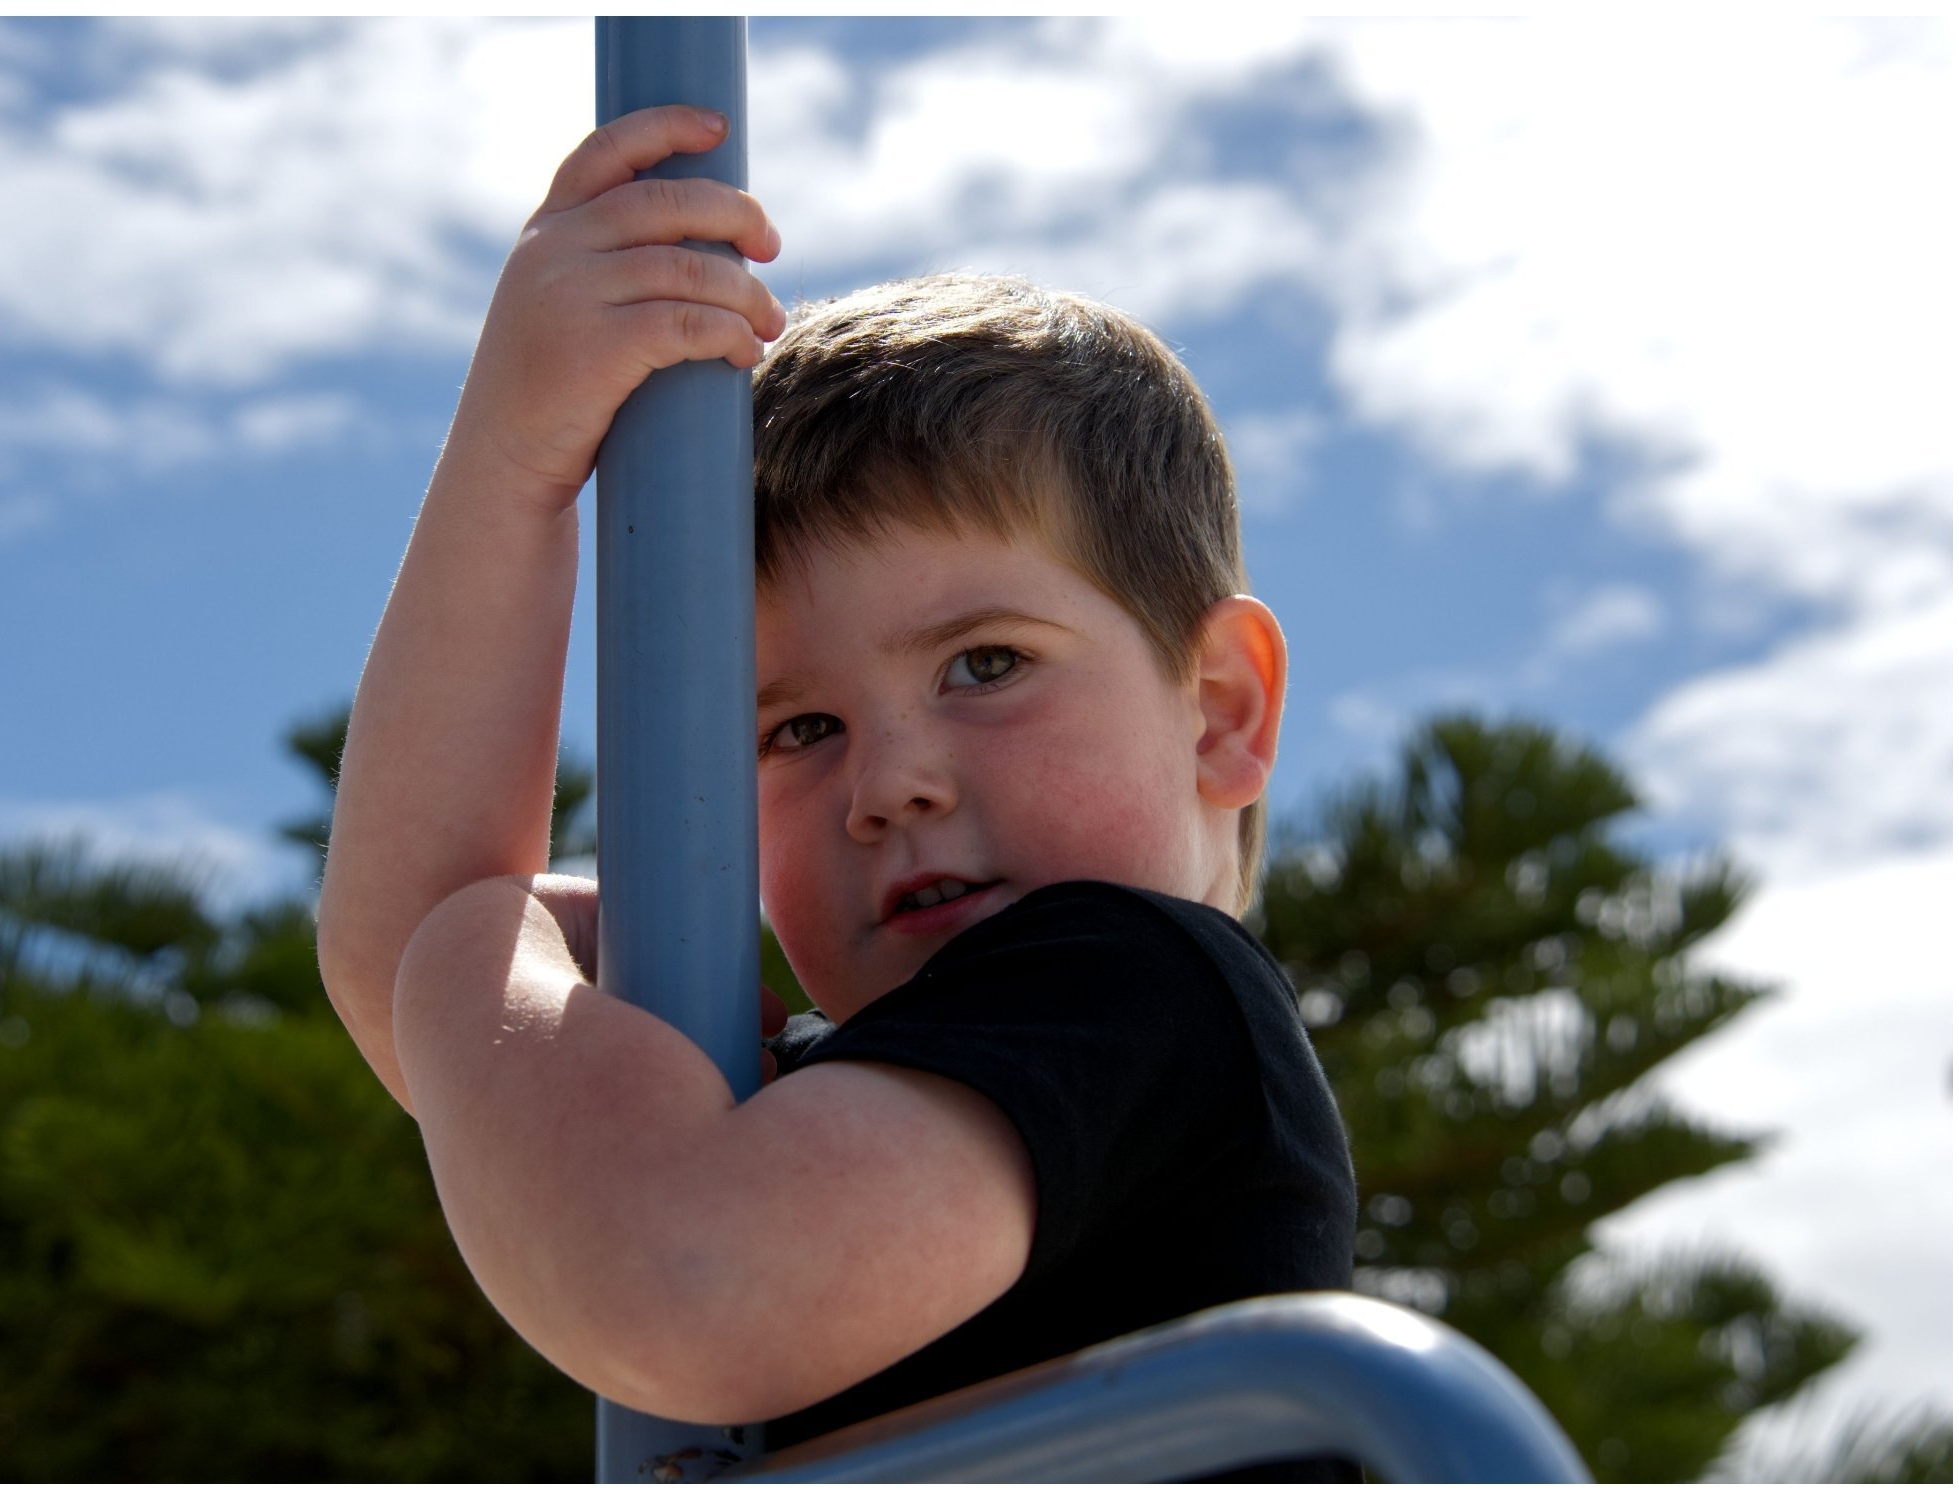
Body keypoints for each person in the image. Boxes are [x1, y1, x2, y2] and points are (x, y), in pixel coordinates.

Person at [317, 105, 1357, 1480]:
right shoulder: (774, 1112)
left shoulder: (1145, 991)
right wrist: (515, 465)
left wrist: (475, 942)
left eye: (985, 663)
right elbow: (413, 989)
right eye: (799, 725)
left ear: (1219, 711)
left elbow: (686, 1282)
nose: (890, 783)